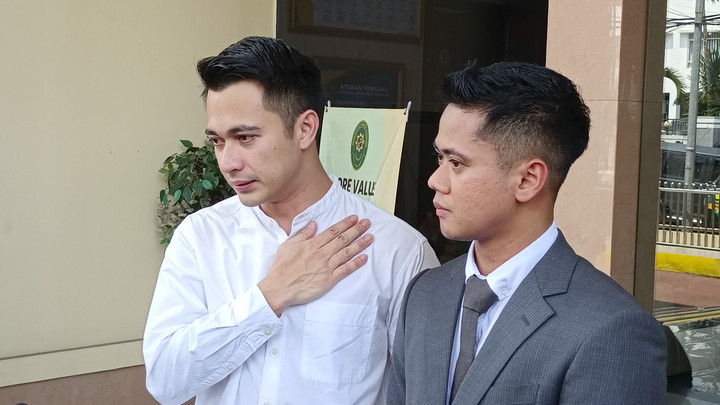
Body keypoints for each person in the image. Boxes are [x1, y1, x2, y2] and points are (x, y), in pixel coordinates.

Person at [143, 36, 439, 405]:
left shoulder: (397, 250)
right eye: (218, 141)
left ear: (305, 129)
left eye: (245, 137)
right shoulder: (201, 236)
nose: (228, 162)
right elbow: (165, 382)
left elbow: (421, 390)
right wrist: (271, 296)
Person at [387, 61, 667, 404]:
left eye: (456, 163)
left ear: (528, 179)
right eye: (439, 158)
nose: (435, 180)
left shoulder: (611, 328)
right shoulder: (425, 293)